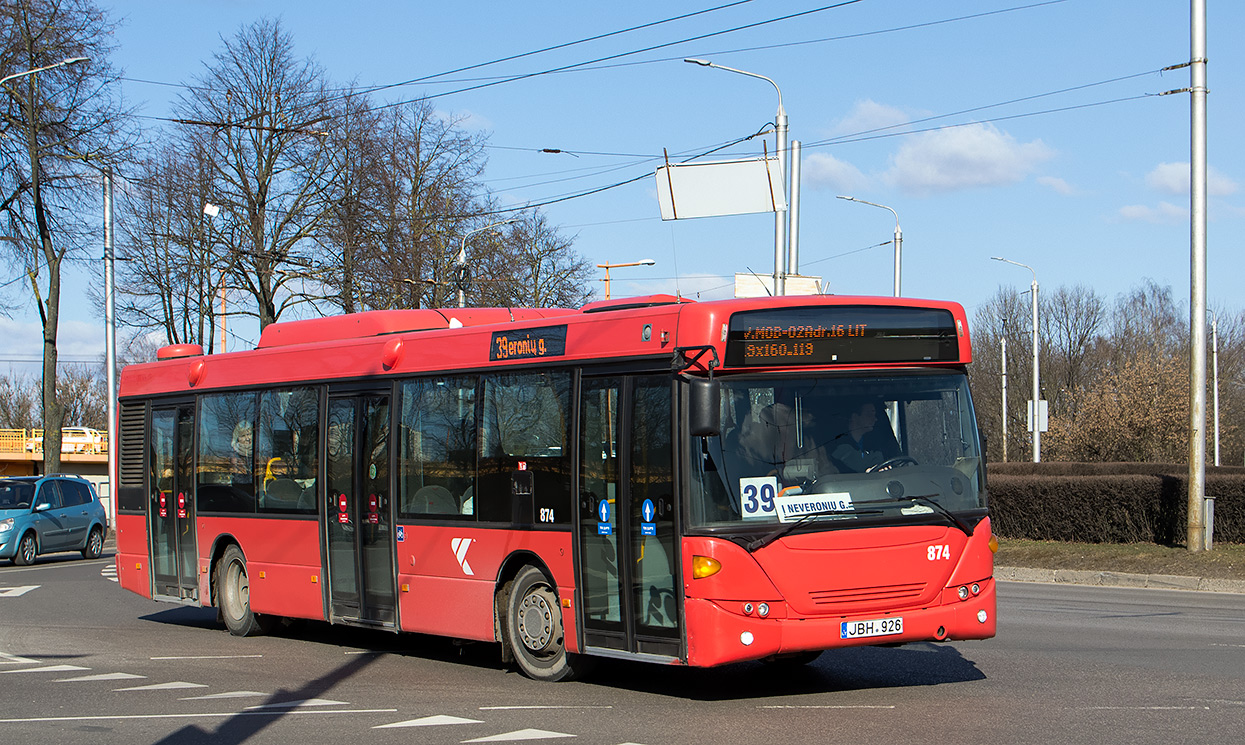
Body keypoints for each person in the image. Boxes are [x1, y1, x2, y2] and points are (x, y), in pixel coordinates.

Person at [827, 399, 901, 473]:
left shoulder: (874, 444)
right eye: (869, 415)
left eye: (874, 415)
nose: (875, 419)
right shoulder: (839, 447)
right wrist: (869, 471)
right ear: (855, 417)